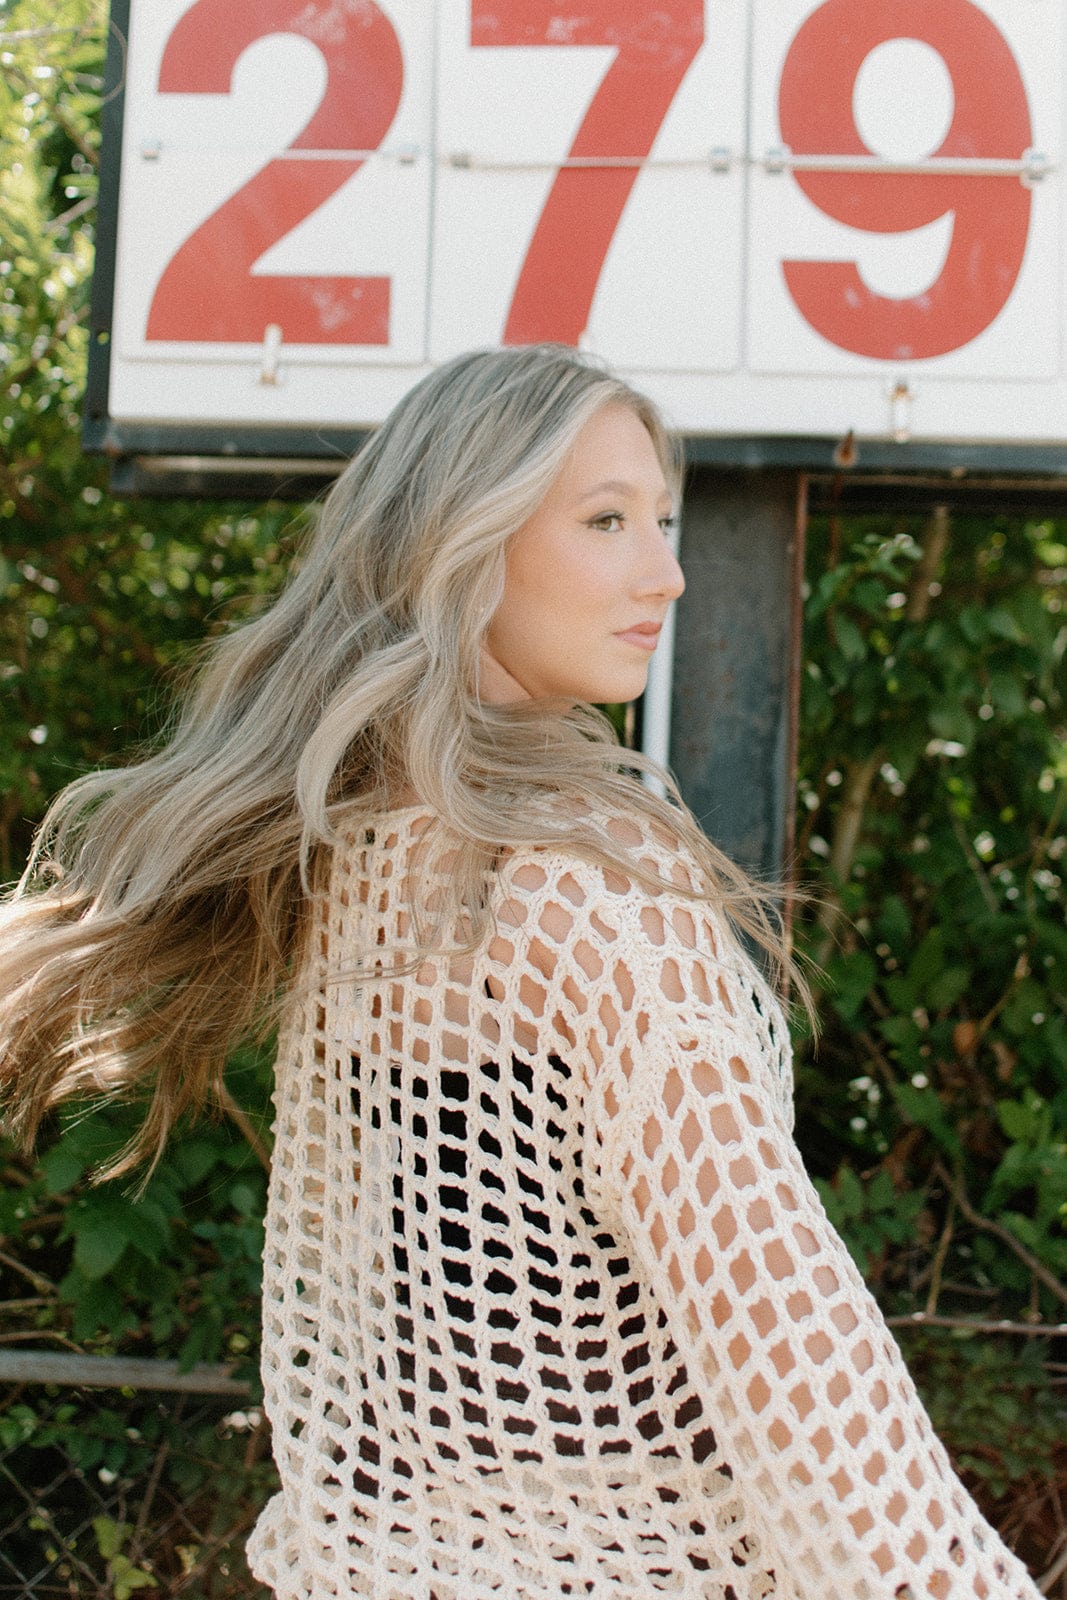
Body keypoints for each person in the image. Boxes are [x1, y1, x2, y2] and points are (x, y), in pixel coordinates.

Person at [0, 346, 1041, 1600]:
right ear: (461, 542)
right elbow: (783, 1341)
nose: (663, 570)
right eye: (605, 520)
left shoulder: (354, 859)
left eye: (661, 521)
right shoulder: (580, 887)